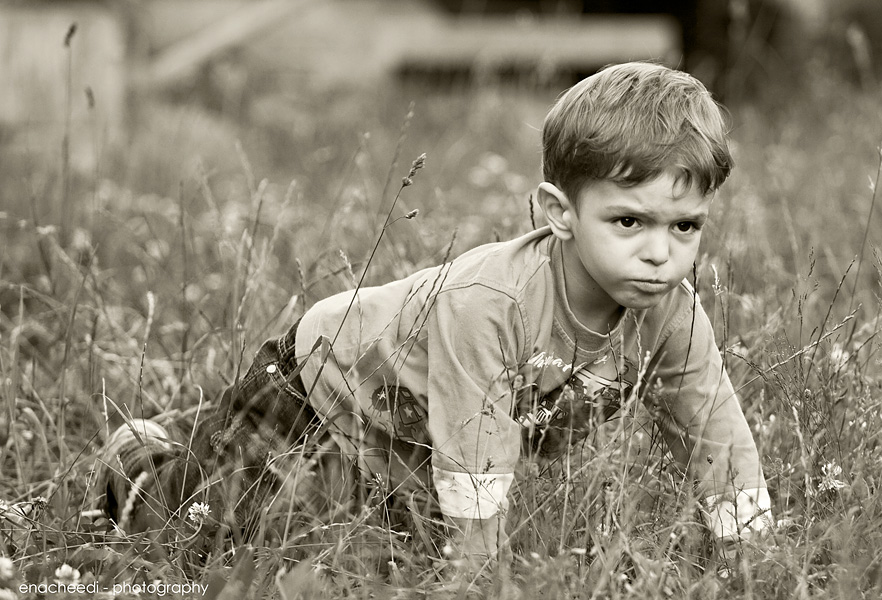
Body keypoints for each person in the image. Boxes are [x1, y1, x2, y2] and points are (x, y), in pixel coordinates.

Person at [94, 61, 771, 575]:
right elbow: (476, 439)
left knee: (373, 557)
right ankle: (143, 464)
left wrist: (749, 555)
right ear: (559, 213)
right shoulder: (494, 303)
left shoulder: (671, 314)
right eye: (629, 220)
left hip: (408, 441)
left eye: (685, 226)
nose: (660, 253)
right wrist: (482, 573)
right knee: (203, 542)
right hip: (316, 388)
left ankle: (220, 454)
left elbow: (714, 425)